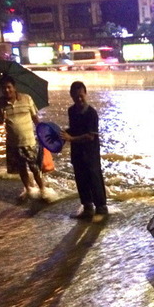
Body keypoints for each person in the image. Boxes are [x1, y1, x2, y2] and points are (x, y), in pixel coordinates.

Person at [0, 75, 52, 201]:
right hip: (13, 143)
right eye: (3, 88)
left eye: (9, 87)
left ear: (14, 87)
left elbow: (35, 118)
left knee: (35, 168)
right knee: (21, 168)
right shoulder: (0, 103)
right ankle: (28, 189)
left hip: (29, 142)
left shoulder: (27, 99)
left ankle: (43, 190)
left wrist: (43, 133)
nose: (7, 90)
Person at [61, 81, 108, 222]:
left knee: (94, 178)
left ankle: (101, 208)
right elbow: (74, 130)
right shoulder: (71, 111)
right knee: (80, 178)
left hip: (90, 151)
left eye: (81, 96)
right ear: (71, 96)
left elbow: (90, 136)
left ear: (85, 94)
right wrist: (63, 134)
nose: (79, 99)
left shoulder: (91, 113)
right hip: (77, 151)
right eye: (76, 97)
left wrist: (71, 138)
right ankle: (87, 207)